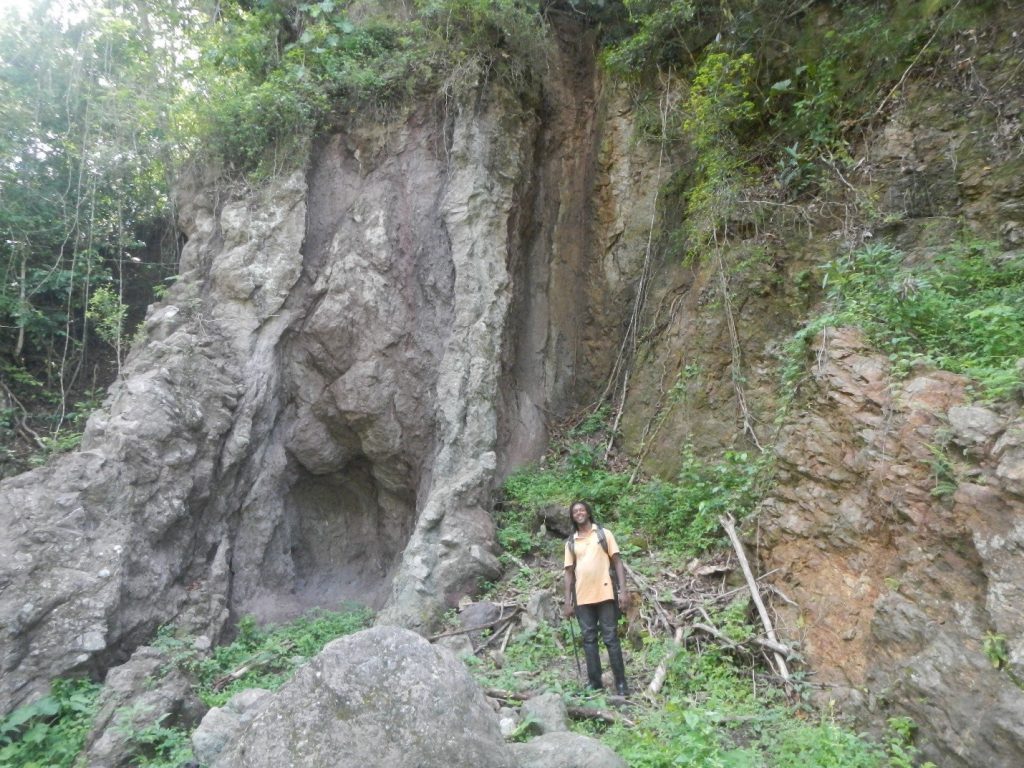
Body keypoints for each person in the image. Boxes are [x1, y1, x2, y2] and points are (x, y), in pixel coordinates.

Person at [562, 500, 630, 695]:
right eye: (575, 511)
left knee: (611, 638)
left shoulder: (603, 534)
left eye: (582, 509)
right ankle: (595, 682)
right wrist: (568, 602)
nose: (579, 513)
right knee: (588, 639)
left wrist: (623, 591)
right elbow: (568, 573)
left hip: (605, 592)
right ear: (572, 516)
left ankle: (621, 684)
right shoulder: (571, 542)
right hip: (582, 597)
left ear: (588, 513)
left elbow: (617, 562)